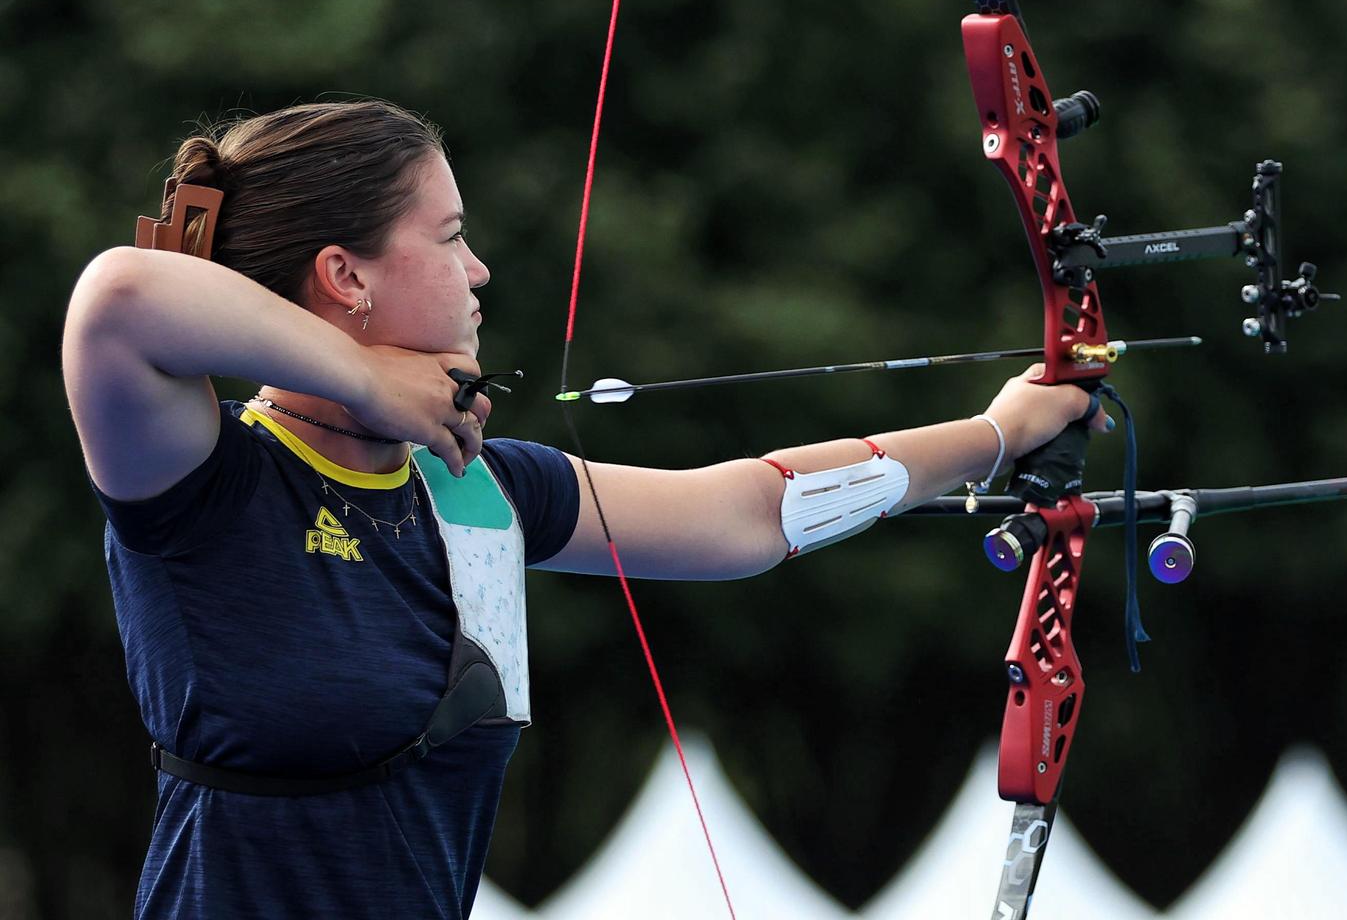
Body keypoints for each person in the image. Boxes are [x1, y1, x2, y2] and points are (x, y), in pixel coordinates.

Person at [61, 98, 1106, 919]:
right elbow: (117, 297)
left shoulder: (476, 487)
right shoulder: (209, 479)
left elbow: (746, 514)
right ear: (345, 274)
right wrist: (370, 381)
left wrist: (1000, 431)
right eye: (451, 235)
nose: (479, 271)